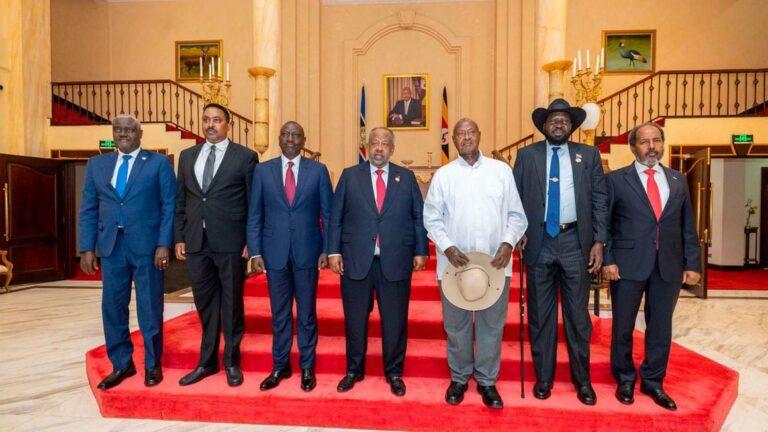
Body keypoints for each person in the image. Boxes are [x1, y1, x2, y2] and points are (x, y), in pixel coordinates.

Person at [423, 118, 527, 409]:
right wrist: (447, 246)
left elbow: (516, 215)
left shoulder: (501, 171)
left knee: (491, 326)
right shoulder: (443, 176)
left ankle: (487, 381)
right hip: (454, 265)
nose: (466, 137)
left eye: (471, 132)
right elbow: (431, 217)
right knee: (456, 326)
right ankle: (459, 378)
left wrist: (508, 243)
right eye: (460, 133)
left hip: (495, 264)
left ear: (479, 136)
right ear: (454, 139)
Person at [512, 99, 608, 405]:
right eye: (553, 120)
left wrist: (599, 241)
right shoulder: (527, 155)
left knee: (577, 317)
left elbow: (600, 199)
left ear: (572, 126)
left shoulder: (588, 155)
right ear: (544, 125)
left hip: (575, 243)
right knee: (540, 316)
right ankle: (544, 378)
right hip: (538, 243)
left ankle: (583, 381)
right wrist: (517, 232)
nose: (558, 124)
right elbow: (514, 199)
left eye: (564, 120)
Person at [603, 122, 701, 411]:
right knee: (623, 326)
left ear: (663, 144)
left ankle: (653, 381)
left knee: (661, 326)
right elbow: (605, 225)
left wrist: (692, 263)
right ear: (634, 147)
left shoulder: (677, 180)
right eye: (645, 142)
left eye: (656, 140)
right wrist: (608, 259)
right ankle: (624, 378)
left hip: (668, 265)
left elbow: (687, 224)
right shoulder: (616, 180)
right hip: (626, 265)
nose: (651, 147)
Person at [328, 127, 429, 397]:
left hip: (395, 260)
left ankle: (394, 372)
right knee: (355, 320)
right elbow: (336, 217)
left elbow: (418, 216)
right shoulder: (350, 176)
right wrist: (333, 251)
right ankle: (354, 370)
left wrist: (421, 250)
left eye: (385, 143)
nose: (379, 148)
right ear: (367, 146)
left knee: (395, 320)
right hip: (355, 260)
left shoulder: (406, 177)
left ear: (392, 149)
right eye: (374, 143)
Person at [79, 114, 175, 390]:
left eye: (129, 130)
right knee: (112, 307)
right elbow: (88, 209)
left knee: (149, 306)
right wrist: (86, 247)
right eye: (118, 130)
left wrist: (164, 243)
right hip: (111, 247)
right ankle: (122, 363)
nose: (123, 134)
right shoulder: (97, 165)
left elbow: (169, 205)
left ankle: (152, 364)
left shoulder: (158, 163)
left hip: (148, 247)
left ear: (140, 134)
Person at [174, 103, 259, 387]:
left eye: (217, 120)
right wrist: (180, 237)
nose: (210, 125)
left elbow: (253, 203)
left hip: (231, 242)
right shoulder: (187, 156)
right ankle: (207, 362)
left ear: (228, 125)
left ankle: (232, 361)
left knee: (232, 303)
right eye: (206, 120)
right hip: (196, 242)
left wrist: (250, 241)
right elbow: (181, 200)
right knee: (205, 303)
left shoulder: (245, 157)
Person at [247, 121, 333, 392]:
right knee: (279, 314)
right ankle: (280, 365)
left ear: (304, 140)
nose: (291, 139)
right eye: (285, 134)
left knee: (306, 314)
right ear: (279, 138)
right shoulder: (262, 171)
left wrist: (327, 249)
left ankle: (307, 366)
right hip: (274, 253)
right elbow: (255, 214)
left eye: (296, 135)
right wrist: (255, 251)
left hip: (308, 252)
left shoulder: (318, 171)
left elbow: (328, 215)